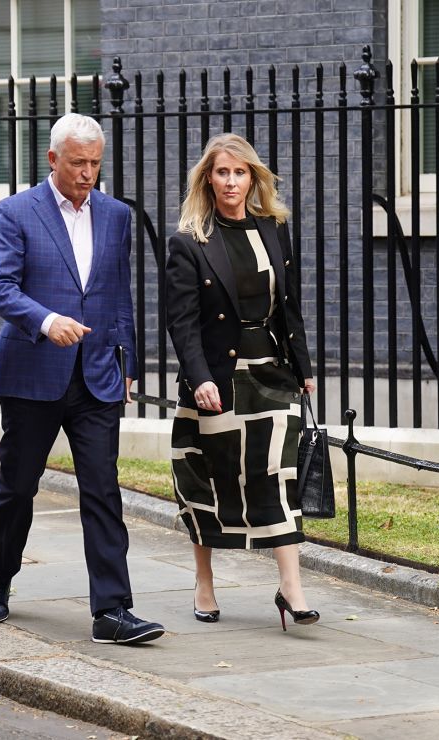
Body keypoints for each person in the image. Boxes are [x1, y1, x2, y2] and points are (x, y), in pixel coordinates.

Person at [0, 113, 164, 645]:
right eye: (78, 162)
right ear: (52, 159)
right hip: (33, 372)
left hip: (98, 374)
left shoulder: (116, 215)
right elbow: (0, 287)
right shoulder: (17, 211)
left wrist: (128, 367)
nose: (87, 173)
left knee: (103, 491)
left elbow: (119, 297)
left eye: (95, 163)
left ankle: (113, 610)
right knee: (17, 487)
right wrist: (46, 320)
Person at [166, 133, 320, 630]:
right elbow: (182, 321)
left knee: (277, 475)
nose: (231, 181)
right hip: (218, 380)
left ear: (252, 177)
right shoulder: (190, 241)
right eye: (221, 172)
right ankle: (204, 583)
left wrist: (304, 366)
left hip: (271, 371)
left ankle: (292, 590)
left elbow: (288, 304)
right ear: (207, 180)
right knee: (209, 481)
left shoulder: (272, 229)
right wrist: (198, 378)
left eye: (239, 172)